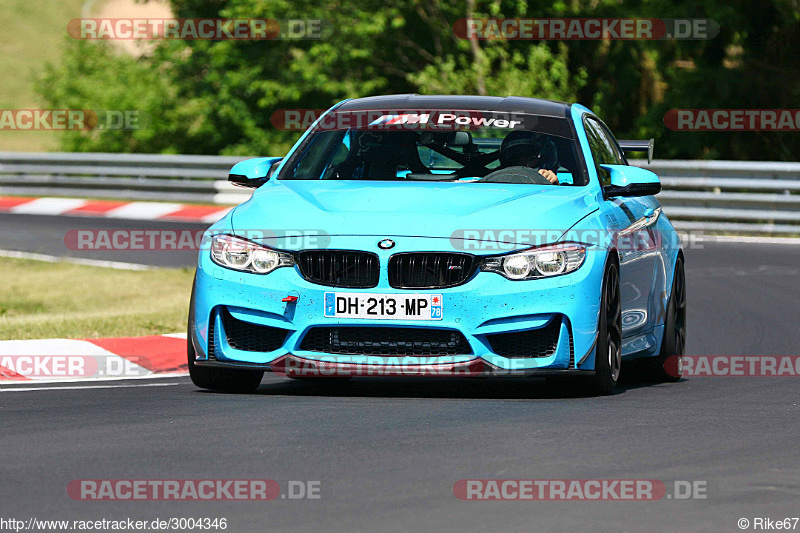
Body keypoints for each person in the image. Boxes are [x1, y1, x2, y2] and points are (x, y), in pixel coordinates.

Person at [489, 130, 559, 184]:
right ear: (503, 159)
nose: (522, 161)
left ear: (541, 160)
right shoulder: (487, 181)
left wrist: (553, 183)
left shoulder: (547, 179)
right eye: (514, 156)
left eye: (529, 156)